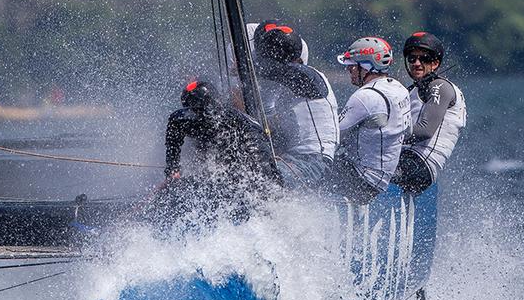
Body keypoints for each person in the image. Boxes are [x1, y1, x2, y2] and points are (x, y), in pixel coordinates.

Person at [253, 23, 339, 188]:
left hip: (313, 161)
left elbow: (283, 72)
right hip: (296, 158)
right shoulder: (286, 92)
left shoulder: (311, 77)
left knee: (260, 179)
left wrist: (248, 66)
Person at [330, 37, 412, 204]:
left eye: (352, 66)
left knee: (306, 169)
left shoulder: (365, 96)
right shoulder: (399, 89)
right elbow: (408, 131)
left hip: (359, 180)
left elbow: (332, 137)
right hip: (380, 180)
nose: (349, 71)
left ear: (366, 67)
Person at [392, 31, 467, 195]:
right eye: (412, 59)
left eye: (424, 59)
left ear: (435, 63)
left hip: (420, 166)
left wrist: (382, 134)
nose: (417, 63)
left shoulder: (440, 86)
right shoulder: (413, 91)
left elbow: (425, 130)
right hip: (408, 159)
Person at [163, 79, 277, 185]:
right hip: (243, 148)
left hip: (253, 146)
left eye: (198, 110)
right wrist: (173, 169)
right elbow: (174, 143)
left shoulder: (229, 121)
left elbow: (253, 157)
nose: (196, 114)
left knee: (264, 180)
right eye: (193, 110)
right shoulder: (182, 121)